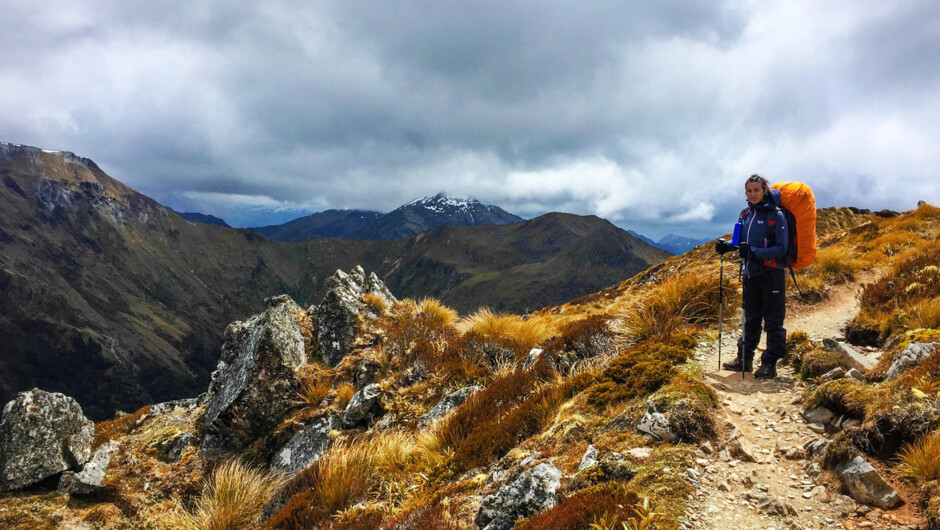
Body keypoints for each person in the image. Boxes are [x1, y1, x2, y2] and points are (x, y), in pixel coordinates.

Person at [715, 174, 789, 379]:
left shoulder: (776, 215)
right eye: (749, 191)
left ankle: (770, 364)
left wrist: (754, 253)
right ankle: (744, 360)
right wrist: (727, 246)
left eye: (757, 190)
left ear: (765, 190)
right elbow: (740, 243)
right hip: (750, 274)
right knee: (751, 318)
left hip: (772, 274)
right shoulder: (745, 214)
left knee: (773, 320)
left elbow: (781, 248)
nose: (753, 194)